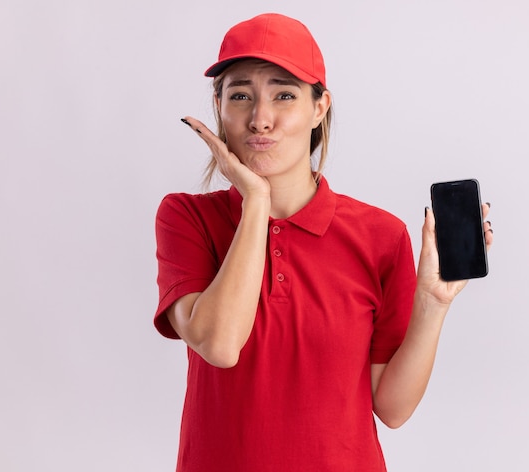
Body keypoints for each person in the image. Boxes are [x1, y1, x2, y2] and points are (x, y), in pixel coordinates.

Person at [154, 12, 493, 472]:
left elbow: (391, 408)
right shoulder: (186, 218)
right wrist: (256, 199)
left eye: (284, 95)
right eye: (240, 96)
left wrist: (433, 303)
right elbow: (219, 344)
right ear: (218, 107)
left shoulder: (379, 235)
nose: (260, 119)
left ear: (319, 107)